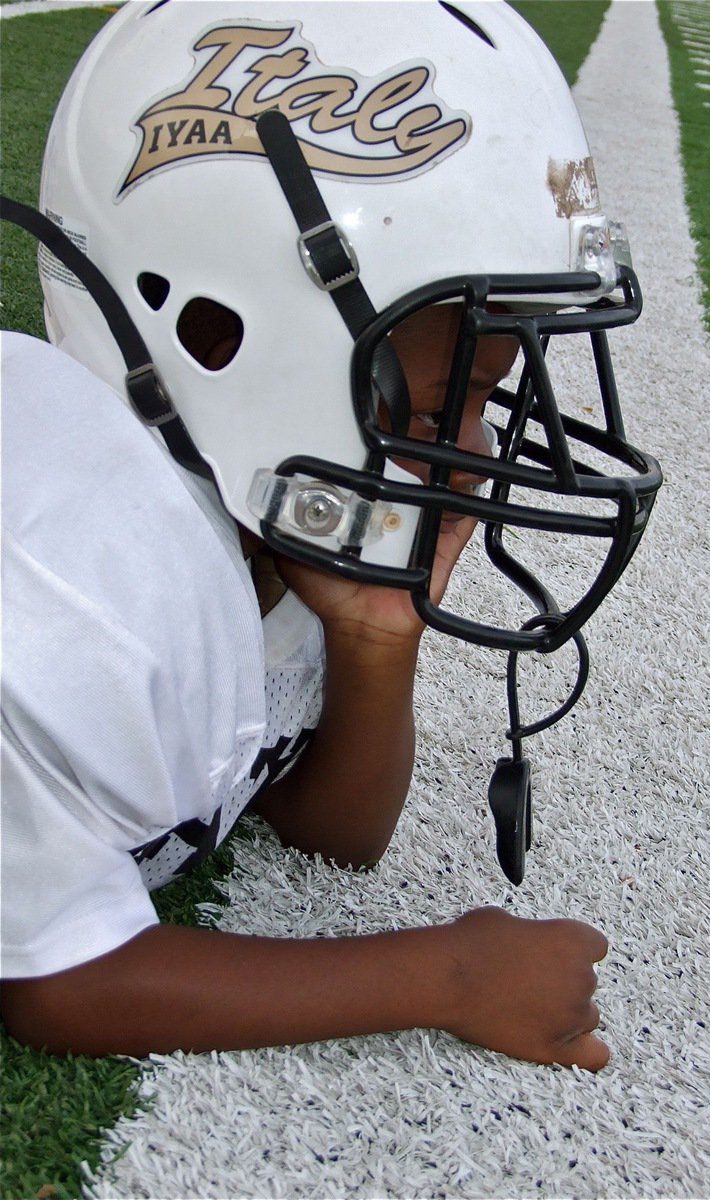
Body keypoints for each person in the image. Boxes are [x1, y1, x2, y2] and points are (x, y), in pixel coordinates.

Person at [1, 0, 661, 1069]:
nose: (483, 441)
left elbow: (326, 829)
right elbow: (61, 982)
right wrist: (446, 977)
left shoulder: (248, 514)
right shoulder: (57, 555)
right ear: (224, 329)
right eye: (455, 391)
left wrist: (375, 639)